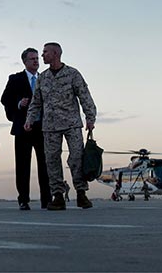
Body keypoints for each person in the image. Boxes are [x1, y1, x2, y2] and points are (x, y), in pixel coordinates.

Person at [24, 42, 97, 211]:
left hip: (72, 124)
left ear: (55, 53)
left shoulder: (72, 74)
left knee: (77, 157)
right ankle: (57, 195)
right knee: (51, 161)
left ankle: (81, 192)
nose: (42, 56)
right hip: (49, 127)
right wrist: (29, 119)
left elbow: (85, 96)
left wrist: (90, 118)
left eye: (45, 52)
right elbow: (36, 102)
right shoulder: (43, 77)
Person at [1, 47, 51, 210]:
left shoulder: (46, 78)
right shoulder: (15, 79)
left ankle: (47, 199)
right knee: (23, 165)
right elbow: (4, 98)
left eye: (37, 58)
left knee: (45, 164)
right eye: (32, 59)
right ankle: (23, 199)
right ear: (24, 61)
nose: (36, 61)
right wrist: (18, 103)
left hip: (43, 128)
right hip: (23, 128)